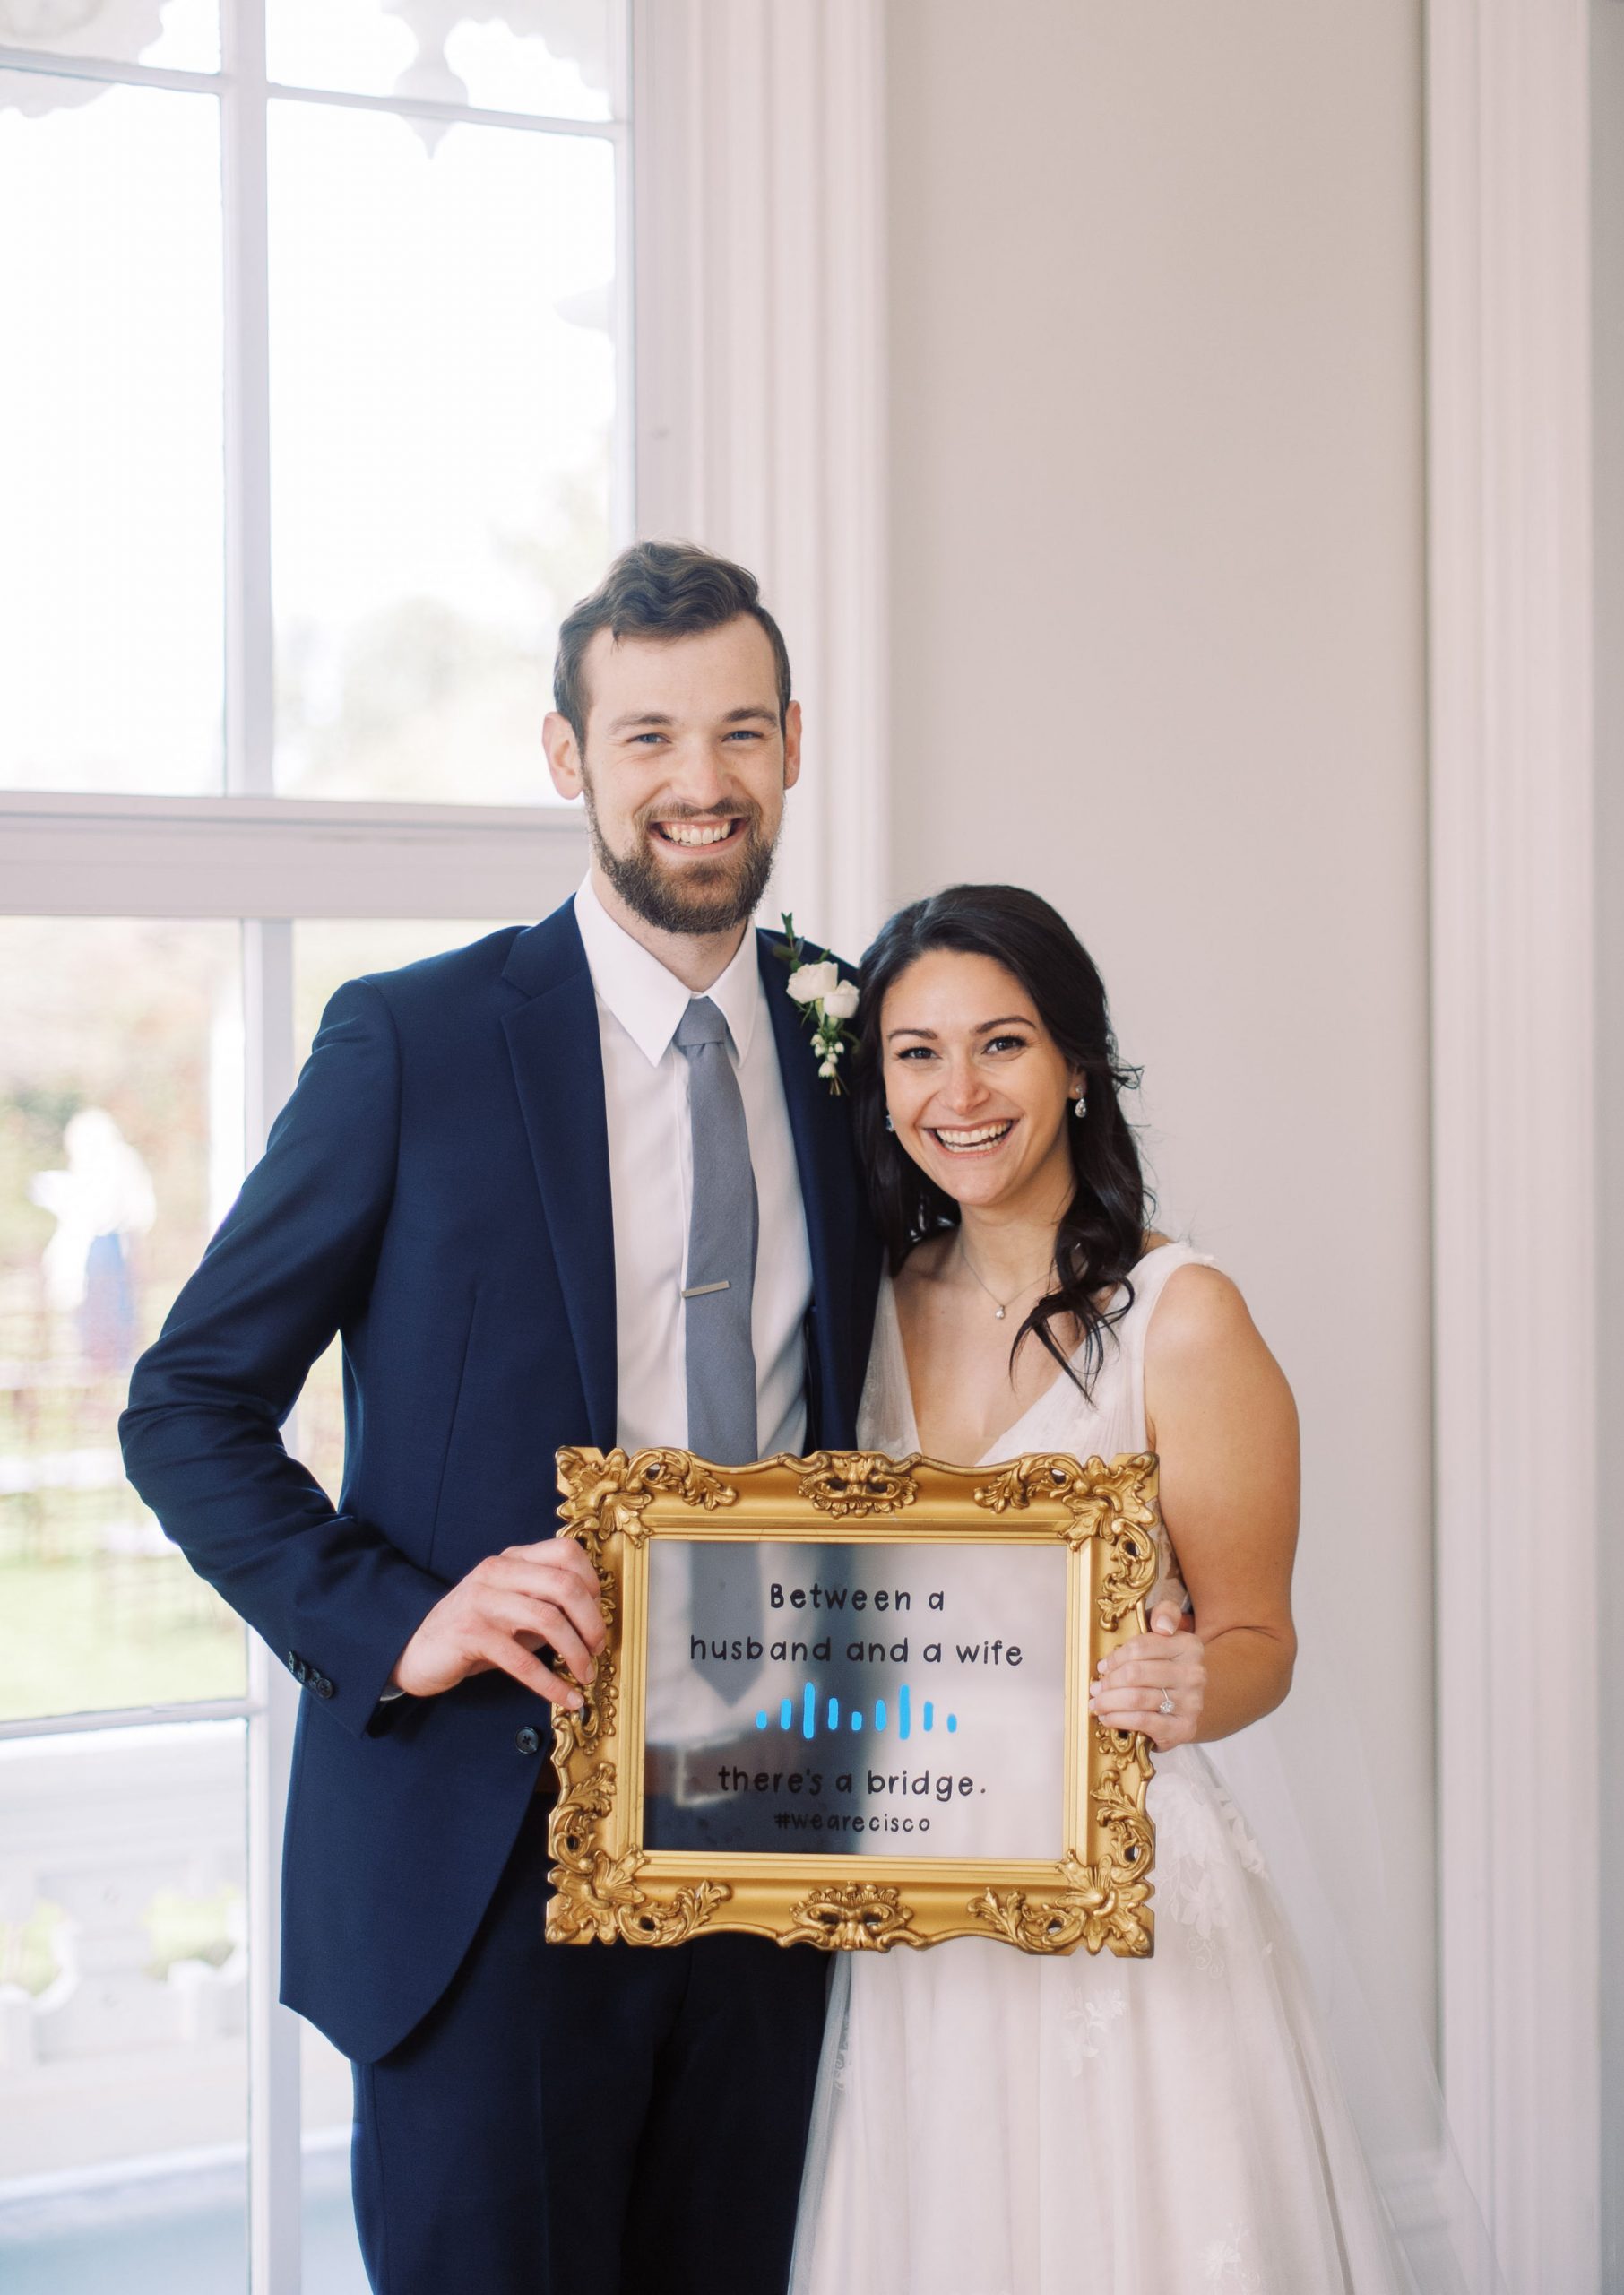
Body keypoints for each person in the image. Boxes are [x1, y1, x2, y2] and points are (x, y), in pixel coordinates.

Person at [120, 541, 880, 2295]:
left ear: (792, 745)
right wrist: (407, 1615)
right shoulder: (414, 1041)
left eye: (741, 730)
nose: (701, 780)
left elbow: (969, 1326)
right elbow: (189, 1404)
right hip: (489, 1863)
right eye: (648, 736)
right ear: (569, 757)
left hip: (782, 1837)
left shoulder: (861, 1041)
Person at [788, 884, 1481, 2295]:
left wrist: (1187, 1680)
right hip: (917, 1890)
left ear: (1077, 1064)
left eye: (1002, 1043)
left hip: (1126, 1890)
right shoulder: (851, 1312)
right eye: (915, 1053)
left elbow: (1256, 1640)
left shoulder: (1184, 1314)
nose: (957, 1091)